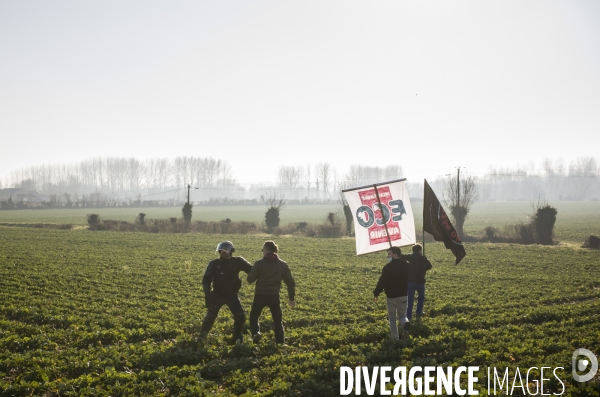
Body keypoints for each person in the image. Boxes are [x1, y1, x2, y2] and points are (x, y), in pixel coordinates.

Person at [200, 241, 252, 344]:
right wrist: (207, 294)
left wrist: (264, 269)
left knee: (240, 315)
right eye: (221, 250)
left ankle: (237, 336)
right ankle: (201, 337)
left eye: (226, 250)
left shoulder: (238, 261)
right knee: (210, 316)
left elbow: (251, 270)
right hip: (217, 294)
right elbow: (206, 280)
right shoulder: (214, 264)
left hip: (232, 295)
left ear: (231, 251)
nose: (223, 252)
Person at [247, 240, 296, 344]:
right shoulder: (283, 265)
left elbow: (250, 279)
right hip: (274, 296)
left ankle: (256, 334)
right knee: (277, 321)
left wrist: (253, 271)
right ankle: (281, 343)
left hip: (260, 295)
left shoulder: (259, 264)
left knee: (254, 317)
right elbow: (290, 283)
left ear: (265, 250)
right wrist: (291, 298)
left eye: (262, 250)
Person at [373, 246, 411, 340]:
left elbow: (382, 281)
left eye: (389, 254)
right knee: (403, 316)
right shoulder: (407, 265)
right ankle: (405, 323)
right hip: (403, 295)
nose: (388, 256)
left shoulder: (387, 267)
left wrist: (376, 293)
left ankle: (395, 338)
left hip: (391, 296)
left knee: (393, 319)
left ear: (395, 254)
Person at [405, 244, 432, 320]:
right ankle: (418, 313)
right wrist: (424, 269)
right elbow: (430, 266)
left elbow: (402, 256)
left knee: (410, 299)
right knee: (421, 297)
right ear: (419, 250)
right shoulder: (423, 258)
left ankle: (408, 315)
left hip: (410, 281)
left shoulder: (410, 257)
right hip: (420, 282)